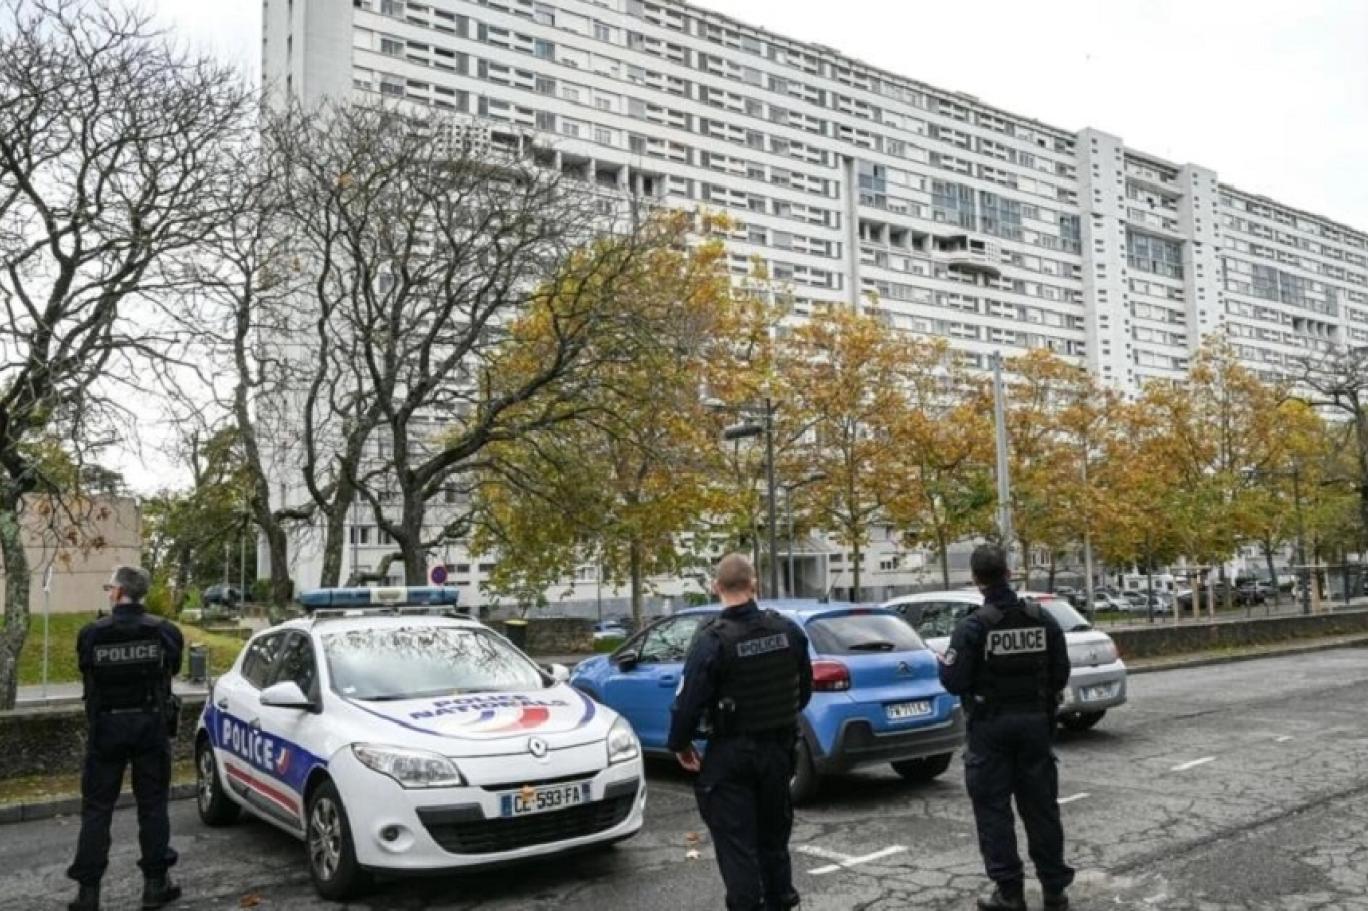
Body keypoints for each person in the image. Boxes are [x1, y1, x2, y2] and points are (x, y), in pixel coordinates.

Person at [668, 554, 813, 911]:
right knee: (773, 839)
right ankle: (780, 901)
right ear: (754, 585)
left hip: (732, 755)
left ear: (715, 587)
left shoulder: (712, 640)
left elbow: (687, 703)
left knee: (737, 846)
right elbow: (803, 691)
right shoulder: (788, 631)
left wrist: (681, 744)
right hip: (778, 751)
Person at [938, 545, 1075, 911]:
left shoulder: (973, 627)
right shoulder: (1042, 620)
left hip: (990, 728)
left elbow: (953, 681)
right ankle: (1054, 890)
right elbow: (1061, 673)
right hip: (1035, 725)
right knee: (1042, 808)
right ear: (1009, 573)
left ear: (976, 579)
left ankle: (1009, 893)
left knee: (993, 811)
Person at [67, 565, 185, 911]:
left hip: (107, 727)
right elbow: (173, 668)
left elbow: (86, 669)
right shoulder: (165, 631)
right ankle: (155, 885)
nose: (108, 593)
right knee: (153, 806)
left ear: (118, 593)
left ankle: (88, 893)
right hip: (150, 725)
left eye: (110, 588)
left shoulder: (92, 634)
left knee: (97, 809)